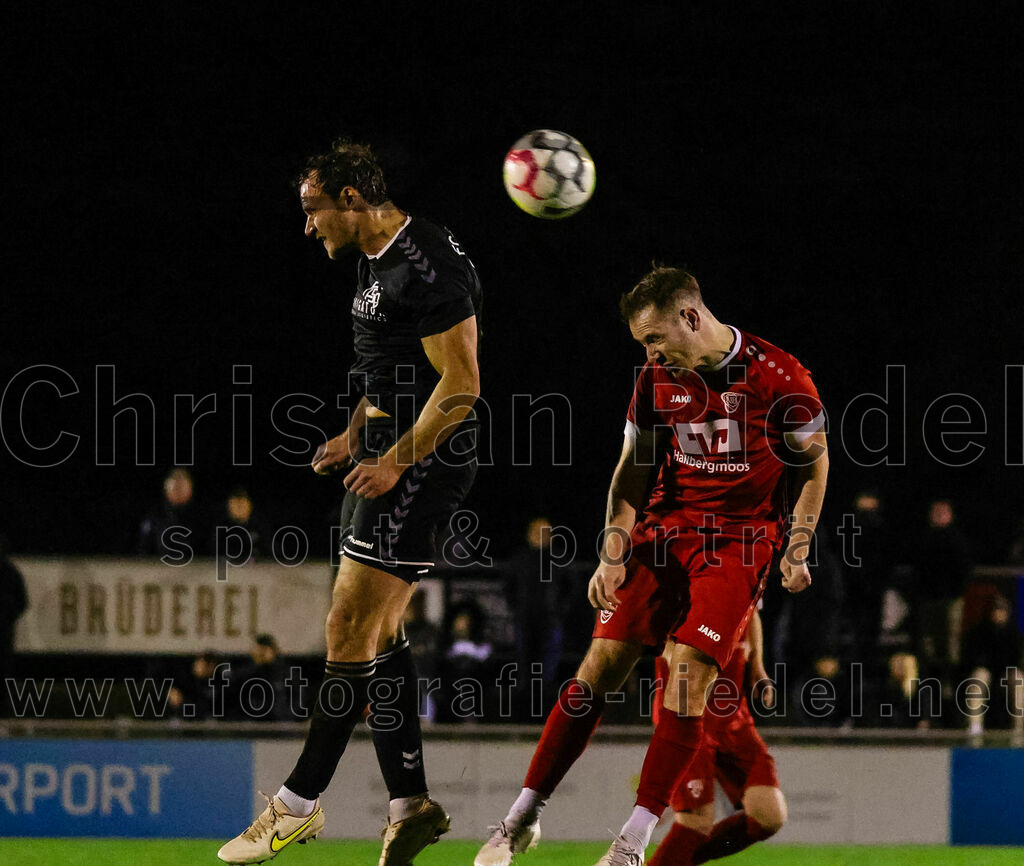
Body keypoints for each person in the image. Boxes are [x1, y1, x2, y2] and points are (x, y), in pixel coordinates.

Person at [475, 266, 826, 866]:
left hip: (739, 543)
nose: (650, 353)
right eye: (644, 344)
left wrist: (798, 544)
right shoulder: (657, 378)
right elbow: (631, 471)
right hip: (664, 532)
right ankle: (521, 817)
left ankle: (633, 840)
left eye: (655, 339)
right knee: (598, 668)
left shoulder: (781, 376)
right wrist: (612, 552)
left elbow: (815, 465)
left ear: (690, 317)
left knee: (687, 677)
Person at [218, 138, 482, 865]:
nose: (309, 227)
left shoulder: (426, 264)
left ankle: (295, 806)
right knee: (379, 634)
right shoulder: (375, 256)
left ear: (354, 201)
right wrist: (352, 431)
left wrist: (397, 459)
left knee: (347, 629)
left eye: (314, 211)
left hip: (424, 462)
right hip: (383, 453)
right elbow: (393, 365)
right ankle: (410, 803)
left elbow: (460, 386)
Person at [647, 612, 786, 865]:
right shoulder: (688, 574)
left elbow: (751, 609)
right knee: (696, 820)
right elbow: (655, 620)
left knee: (769, 816)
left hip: (733, 714)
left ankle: (673, 862)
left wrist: (756, 664)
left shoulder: (753, 571)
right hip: (687, 711)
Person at [138, 467, 205, 557]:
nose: (179, 491)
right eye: (176, 488)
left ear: (190, 489)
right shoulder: (154, 517)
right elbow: (144, 551)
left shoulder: (203, 517)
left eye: (182, 487)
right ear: (166, 489)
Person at [0, 535, 28, 718]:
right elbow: (23, 603)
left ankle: (2, 716)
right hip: (5, 632)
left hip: (4, 634)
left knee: (4, 676)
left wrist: (7, 618)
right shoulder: (12, 571)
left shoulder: (11, 572)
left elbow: (22, 602)